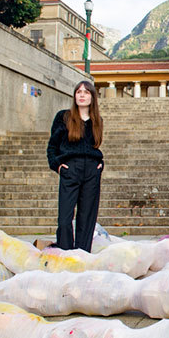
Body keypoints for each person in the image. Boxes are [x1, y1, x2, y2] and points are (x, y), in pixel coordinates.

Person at [46, 81, 104, 252]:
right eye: (78, 92)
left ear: (92, 97)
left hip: (92, 171)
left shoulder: (97, 120)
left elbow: (95, 146)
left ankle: (82, 256)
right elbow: (52, 147)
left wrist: (100, 165)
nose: (82, 95)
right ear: (74, 95)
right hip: (70, 169)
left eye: (86, 92)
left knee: (87, 218)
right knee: (64, 219)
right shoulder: (63, 117)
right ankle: (65, 253)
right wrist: (57, 165)